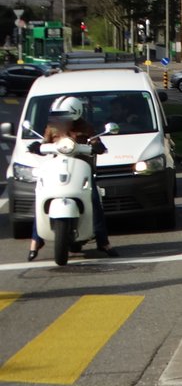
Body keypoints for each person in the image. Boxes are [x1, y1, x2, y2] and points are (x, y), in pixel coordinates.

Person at [28, 94, 118, 261]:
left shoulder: (86, 127)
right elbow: (43, 143)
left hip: (81, 170)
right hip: (58, 168)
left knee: (94, 201)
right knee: (41, 197)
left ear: (75, 112)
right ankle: (35, 240)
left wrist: (97, 146)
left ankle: (103, 241)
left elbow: (96, 142)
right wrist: (36, 147)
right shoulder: (52, 127)